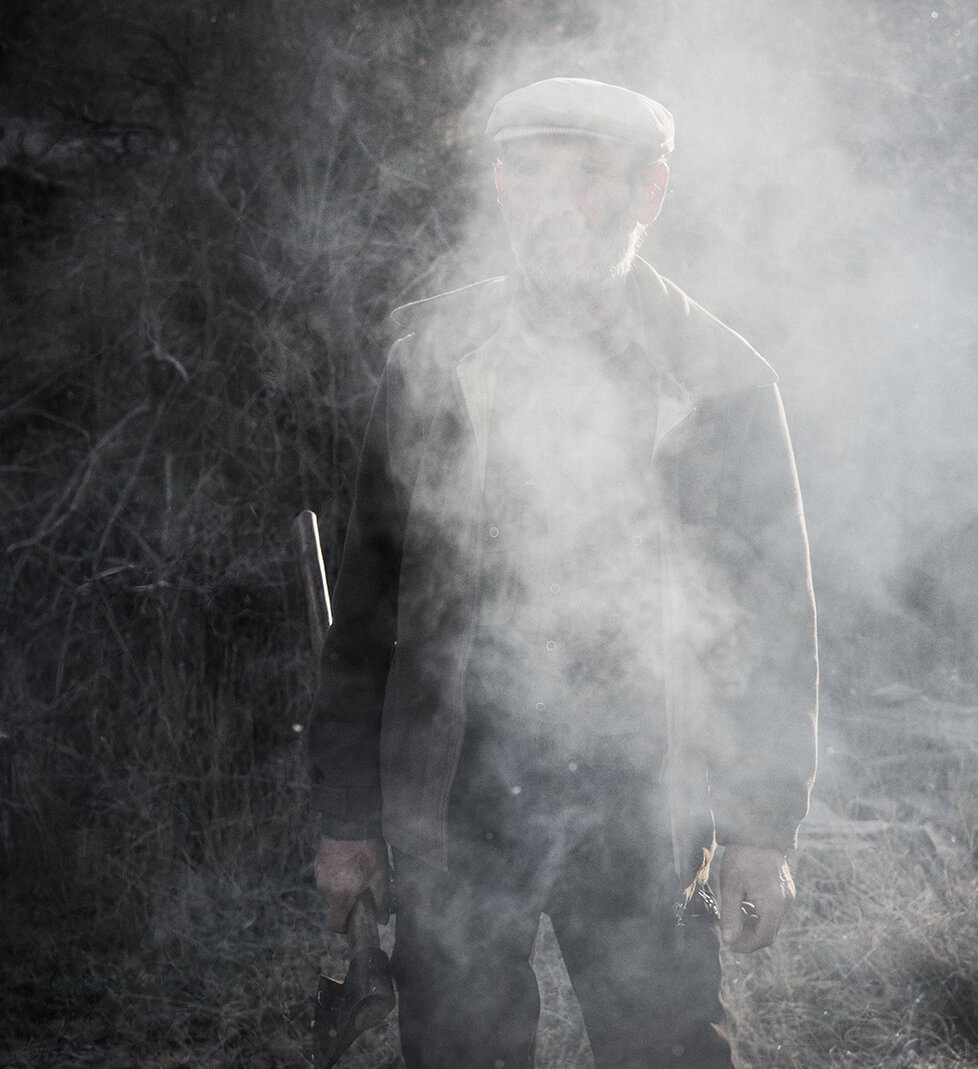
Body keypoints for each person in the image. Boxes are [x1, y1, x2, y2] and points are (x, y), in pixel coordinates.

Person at [306, 76, 818, 1069]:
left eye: (591, 176)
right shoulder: (432, 362)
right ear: (500, 185)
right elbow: (367, 608)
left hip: (645, 799)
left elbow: (773, 621)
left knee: (669, 1053)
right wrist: (348, 820)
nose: (559, 204)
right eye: (532, 174)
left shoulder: (723, 380)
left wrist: (761, 827)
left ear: (649, 191)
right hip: (458, 795)